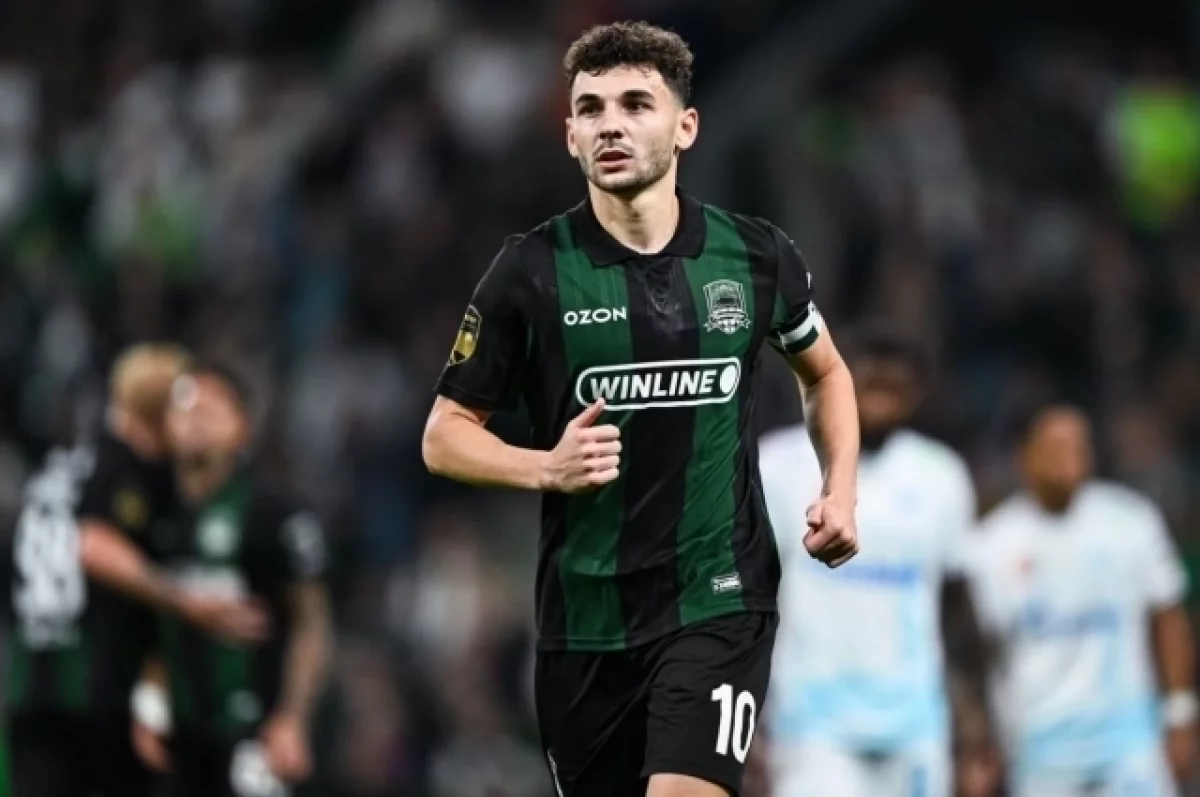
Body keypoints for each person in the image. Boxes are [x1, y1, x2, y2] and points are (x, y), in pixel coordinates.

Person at [421, 21, 860, 797]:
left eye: (635, 104)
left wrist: (842, 489)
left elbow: (825, 373)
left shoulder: (755, 256)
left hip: (718, 601)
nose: (611, 125)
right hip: (584, 626)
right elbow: (444, 436)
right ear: (570, 136)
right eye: (590, 109)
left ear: (685, 126)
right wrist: (546, 466)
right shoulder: (530, 271)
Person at [3, 344, 264, 797]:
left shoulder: (63, 466)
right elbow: (93, 544)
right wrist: (182, 600)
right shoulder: (127, 468)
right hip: (94, 688)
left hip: (31, 680)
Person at [757, 326, 992, 797]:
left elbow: (956, 610)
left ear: (917, 394)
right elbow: (749, 595)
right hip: (811, 724)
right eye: (870, 383)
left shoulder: (941, 475)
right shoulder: (778, 465)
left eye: (896, 388)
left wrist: (974, 720)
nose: (882, 399)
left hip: (916, 724)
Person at [969, 405, 1198, 797]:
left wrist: (1180, 712)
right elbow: (980, 654)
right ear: (1024, 456)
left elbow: (1168, 617)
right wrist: (983, 739)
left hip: (1128, 742)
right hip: (1040, 749)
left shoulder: (1130, 522)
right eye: (1056, 445)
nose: (1069, 456)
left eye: (1079, 445)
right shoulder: (990, 547)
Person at [130, 361, 333, 797]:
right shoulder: (150, 513)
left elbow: (312, 623)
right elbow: (146, 625)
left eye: (213, 407)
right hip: (178, 736)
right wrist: (148, 705)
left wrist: (293, 718)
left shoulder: (275, 513)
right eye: (186, 406)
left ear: (243, 429)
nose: (196, 416)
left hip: (254, 734)